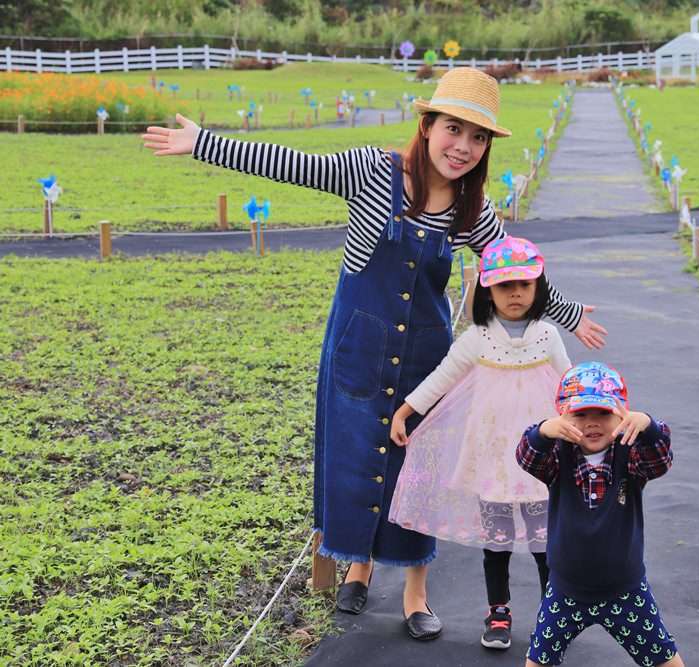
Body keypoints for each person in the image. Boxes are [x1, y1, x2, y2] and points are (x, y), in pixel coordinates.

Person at [140, 67, 608, 641]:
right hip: (359, 347)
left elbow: (517, 276)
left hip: (426, 354)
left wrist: (571, 314)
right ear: (428, 123)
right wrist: (202, 142)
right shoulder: (371, 171)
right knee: (357, 457)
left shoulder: (473, 210)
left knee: (417, 470)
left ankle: (415, 592)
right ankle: (356, 567)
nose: (463, 147)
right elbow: (288, 163)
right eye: (453, 129)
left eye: (477, 137)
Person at [388, 236, 571, 651]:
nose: (516, 294)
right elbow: (443, 376)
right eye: (506, 286)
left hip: (540, 461)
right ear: (488, 289)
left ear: (538, 287)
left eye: (525, 285)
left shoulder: (547, 335)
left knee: (546, 545)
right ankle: (498, 612)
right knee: (498, 543)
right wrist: (405, 411)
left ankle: (554, 614)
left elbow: (569, 385)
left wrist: (597, 424)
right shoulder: (479, 337)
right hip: (491, 459)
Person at [515, 362, 685, 667]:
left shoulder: (631, 455)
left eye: (603, 414)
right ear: (563, 417)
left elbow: (660, 460)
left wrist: (648, 425)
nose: (592, 423)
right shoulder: (557, 457)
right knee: (538, 661)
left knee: (665, 660)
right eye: (580, 414)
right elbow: (527, 457)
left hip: (625, 591)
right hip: (566, 591)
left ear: (622, 416)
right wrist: (542, 431)